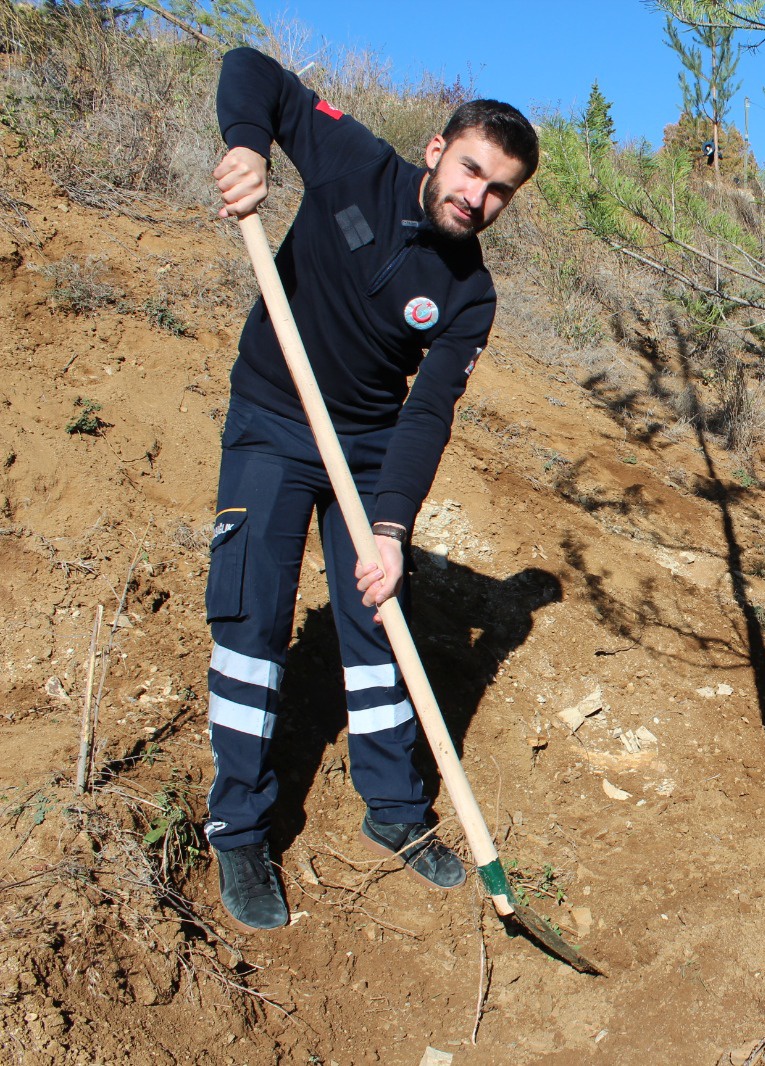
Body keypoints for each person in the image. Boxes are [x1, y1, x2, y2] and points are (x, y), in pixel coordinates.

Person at [205, 47, 539, 930]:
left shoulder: (470, 295)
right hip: (275, 419)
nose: (478, 196)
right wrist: (247, 146)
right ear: (437, 151)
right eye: (472, 169)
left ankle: (392, 809)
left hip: (365, 450)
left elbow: (428, 412)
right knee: (253, 612)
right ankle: (238, 824)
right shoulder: (354, 161)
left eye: (500, 189)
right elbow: (253, 73)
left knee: (379, 616)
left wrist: (389, 527)